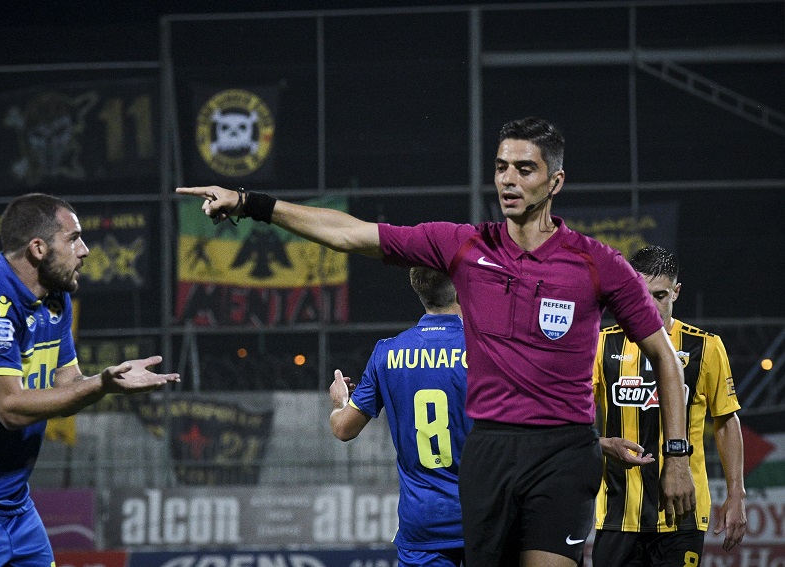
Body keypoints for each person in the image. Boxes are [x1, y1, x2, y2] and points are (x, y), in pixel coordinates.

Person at [177, 116, 696, 567]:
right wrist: (249, 203)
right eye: (501, 167)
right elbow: (349, 233)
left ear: (555, 181)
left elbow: (665, 359)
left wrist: (676, 455)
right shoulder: (464, 245)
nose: (508, 179)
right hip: (489, 452)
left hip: (562, 451)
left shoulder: (597, 263)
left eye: (525, 169)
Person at [0, 193, 180, 566]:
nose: (85, 250)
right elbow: (11, 410)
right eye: (73, 238)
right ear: (38, 248)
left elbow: (69, 386)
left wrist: (107, 384)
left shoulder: (55, 299)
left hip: (16, 507)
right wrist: (101, 384)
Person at [592, 245, 746, 565]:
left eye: (660, 295)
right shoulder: (601, 344)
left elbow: (726, 421)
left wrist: (736, 494)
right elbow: (570, 418)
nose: (650, 305)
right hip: (618, 513)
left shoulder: (705, 347)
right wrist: (602, 444)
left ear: (676, 292)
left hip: (682, 513)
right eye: (641, 294)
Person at [329, 267, 471, 567]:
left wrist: (341, 401)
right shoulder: (484, 350)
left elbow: (343, 429)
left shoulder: (387, 353)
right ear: (460, 289)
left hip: (422, 523)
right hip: (482, 518)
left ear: (419, 292)